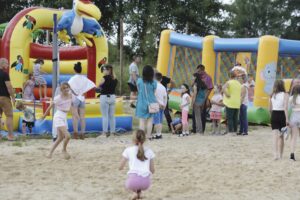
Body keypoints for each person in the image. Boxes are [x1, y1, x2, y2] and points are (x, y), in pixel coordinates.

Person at [119, 130, 155, 200]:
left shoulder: (128, 150)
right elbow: (152, 171)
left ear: (133, 140)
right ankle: (139, 193)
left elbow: (120, 167)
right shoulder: (149, 151)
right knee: (140, 179)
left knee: (128, 182)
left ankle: (133, 193)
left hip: (132, 182)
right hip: (146, 183)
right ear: (144, 140)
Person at [42, 82, 72, 159]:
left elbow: (71, 106)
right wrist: (44, 115)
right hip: (58, 116)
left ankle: (50, 153)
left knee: (60, 138)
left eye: (67, 87)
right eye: (64, 88)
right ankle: (64, 150)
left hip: (64, 117)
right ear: (61, 90)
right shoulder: (58, 98)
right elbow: (50, 107)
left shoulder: (70, 96)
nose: (66, 89)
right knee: (68, 136)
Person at [68, 62, 95, 139]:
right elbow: (91, 84)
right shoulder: (84, 78)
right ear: (81, 70)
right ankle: (83, 133)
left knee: (75, 117)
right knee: (82, 117)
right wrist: (83, 92)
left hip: (75, 98)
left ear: (74, 70)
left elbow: (69, 87)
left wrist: (74, 94)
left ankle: (75, 133)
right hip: (82, 98)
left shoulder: (72, 79)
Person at [136, 65, 158, 140]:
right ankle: (149, 136)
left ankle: (141, 137)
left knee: (142, 121)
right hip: (152, 102)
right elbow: (154, 92)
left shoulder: (139, 81)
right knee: (150, 120)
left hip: (141, 102)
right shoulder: (154, 82)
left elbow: (139, 90)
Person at [269, 80, 289, 160]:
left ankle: (275, 155)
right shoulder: (285, 94)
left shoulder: (272, 95)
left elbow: (269, 109)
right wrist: (287, 119)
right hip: (282, 115)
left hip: (274, 115)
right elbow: (285, 108)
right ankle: (280, 155)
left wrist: (271, 117)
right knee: (281, 136)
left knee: (274, 136)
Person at [97, 64, 118, 137]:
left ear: (108, 70)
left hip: (104, 97)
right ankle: (112, 133)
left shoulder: (104, 78)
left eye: (104, 69)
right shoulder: (115, 78)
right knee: (112, 116)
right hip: (112, 97)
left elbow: (98, 86)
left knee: (105, 116)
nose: (103, 71)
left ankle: (104, 133)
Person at [222, 70, 242, 135]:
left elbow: (223, 88)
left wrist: (226, 94)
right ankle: (235, 131)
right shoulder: (239, 83)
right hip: (237, 103)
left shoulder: (229, 82)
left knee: (230, 118)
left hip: (230, 103)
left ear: (229, 76)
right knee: (235, 118)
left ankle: (231, 131)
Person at [0, 58, 15, 140]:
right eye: (7, 63)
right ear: (2, 64)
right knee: (9, 116)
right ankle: (10, 136)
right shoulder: (5, 74)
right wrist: (13, 97)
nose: (8, 65)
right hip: (4, 98)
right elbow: (9, 87)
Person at [195, 64, 213, 132]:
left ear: (203, 70)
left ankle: (202, 130)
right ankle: (196, 129)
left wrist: (205, 99)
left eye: (199, 71)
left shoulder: (208, 77)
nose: (198, 72)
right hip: (197, 97)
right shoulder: (197, 77)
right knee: (196, 115)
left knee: (203, 114)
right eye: (197, 71)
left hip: (203, 98)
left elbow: (210, 89)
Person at [152, 73, 167, 139]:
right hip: (162, 105)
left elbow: (153, 96)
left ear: (154, 78)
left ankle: (158, 134)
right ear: (161, 79)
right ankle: (159, 133)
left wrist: (158, 104)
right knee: (160, 121)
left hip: (155, 105)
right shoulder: (163, 87)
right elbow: (165, 97)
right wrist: (164, 105)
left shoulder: (154, 86)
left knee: (156, 121)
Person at [288, 84, 300, 161]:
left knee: (293, 138)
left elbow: (289, 110)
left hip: (293, 117)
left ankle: (292, 155)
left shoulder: (291, 98)